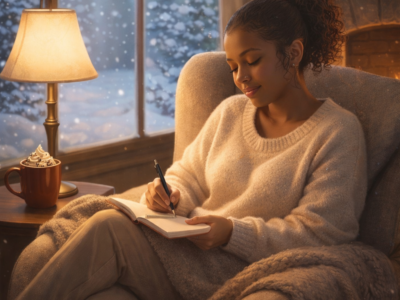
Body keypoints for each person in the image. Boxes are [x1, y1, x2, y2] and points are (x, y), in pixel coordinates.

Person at [16, 0, 367, 299]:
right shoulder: (230, 113)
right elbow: (187, 175)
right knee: (108, 223)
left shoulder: (337, 131)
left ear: (293, 53)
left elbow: (321, 233)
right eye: (233, 66)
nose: (240, 76)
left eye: (252, 60)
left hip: (250, 272)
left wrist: (232, 232)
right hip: (183, 256)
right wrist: (168, 194)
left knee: (107, 229)